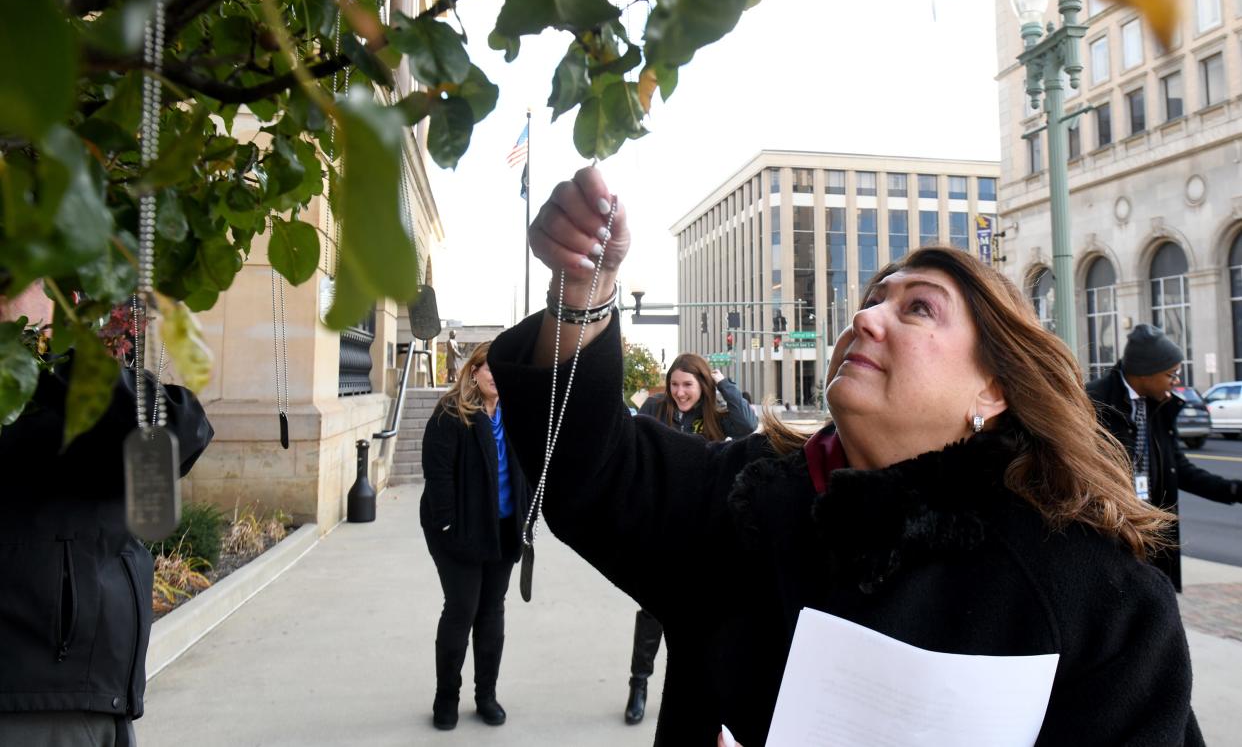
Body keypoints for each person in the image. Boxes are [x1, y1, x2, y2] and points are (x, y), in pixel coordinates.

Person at [486, 167, 1202, 746]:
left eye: (917, 308)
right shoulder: (744, 495)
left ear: (996, 386)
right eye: (873, 299)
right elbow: (587, 469)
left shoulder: (1097, 593)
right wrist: (581, 291)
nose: (865, 317)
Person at [0, 289, 214, 747]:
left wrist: (54, 351)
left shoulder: (64, 379)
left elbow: (181, 431)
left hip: (95, 692)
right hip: (33, 697)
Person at [625, 354, 757, 723]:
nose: (680, 392)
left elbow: (749, 426)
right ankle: (638, 685)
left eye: (688, 384)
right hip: (660, 527)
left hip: (703, 529)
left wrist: (724, 384)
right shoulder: (656, 408)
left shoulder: (717, 416)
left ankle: (694, 694)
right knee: (652, 612)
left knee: (702, 618)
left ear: (702, 385)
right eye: (675, 384)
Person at [419, 341, 530, 731]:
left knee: (491, 610)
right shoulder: (452, 412)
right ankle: (446, 697)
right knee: (461, 608)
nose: (495, 376)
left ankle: (486, 696)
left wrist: (526, 517)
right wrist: (447, 523)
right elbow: (437, 473)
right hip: (458, 530)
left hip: (502, 528)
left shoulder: (516, 413)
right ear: (474, 370)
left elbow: (528, 470)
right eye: (489, 368)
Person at [1086, 324, 1240, 592]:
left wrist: (1233, 490)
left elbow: (1178, 469)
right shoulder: (1093, 402)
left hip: (1150, 532)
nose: (1175, 381)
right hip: (1108, 534)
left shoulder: (1160, 406)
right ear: (1145, 373)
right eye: (1171, 374)